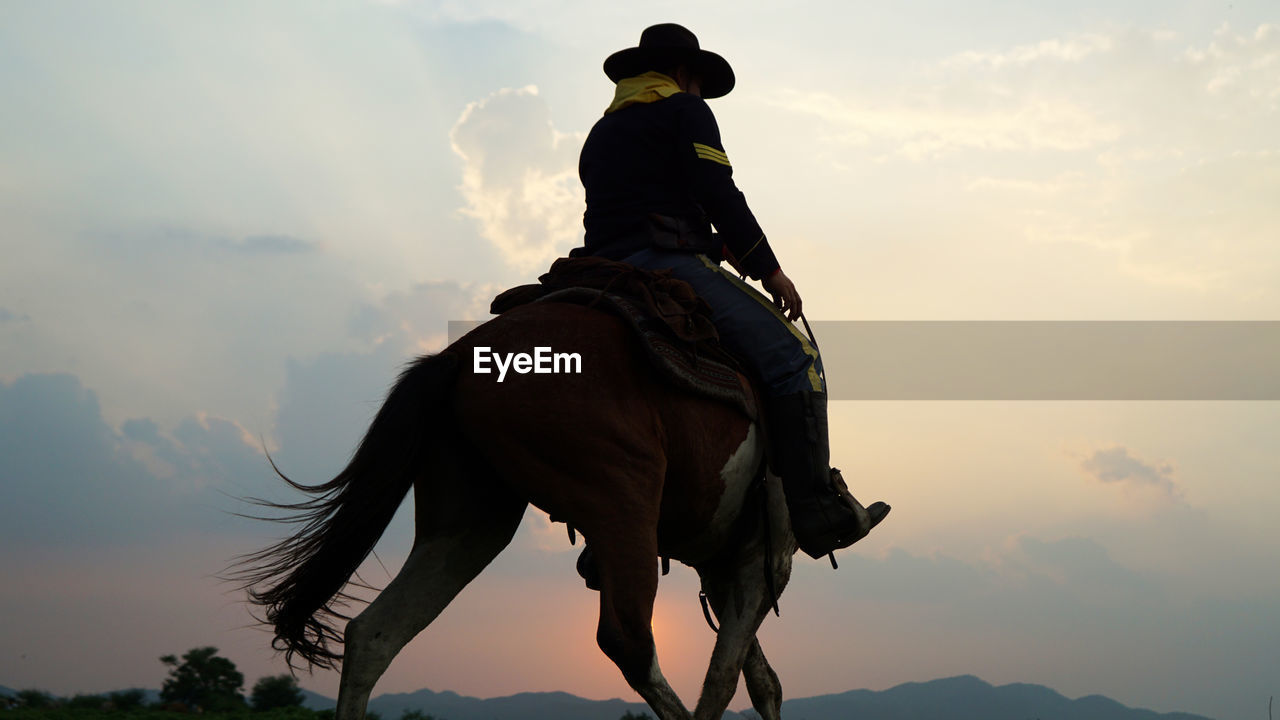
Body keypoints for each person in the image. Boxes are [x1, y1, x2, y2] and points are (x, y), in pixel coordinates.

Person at [572, 23, 889, 561]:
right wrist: (769, 269)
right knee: (795, 357)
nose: (698, 92)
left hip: (598, 268)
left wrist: (716, 241)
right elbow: (717, 191)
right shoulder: (685, 110)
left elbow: (639, 204)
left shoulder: (602, 131)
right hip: (664, 264)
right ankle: (817, 509)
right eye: (696, 82)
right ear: (682, 74)